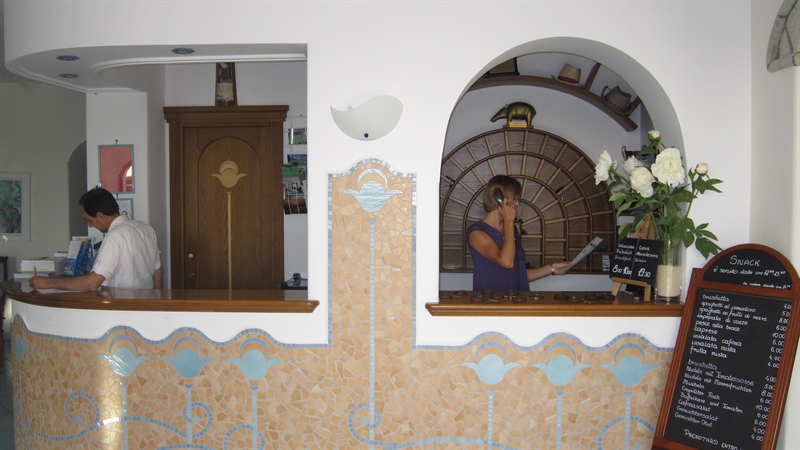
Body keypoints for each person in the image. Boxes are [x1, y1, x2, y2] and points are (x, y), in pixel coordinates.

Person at [29, 188, 163, 291]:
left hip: (121, 307)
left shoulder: (115, 236)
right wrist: (156, 302)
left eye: (89, 220)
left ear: (100, 216)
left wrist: (48, 283)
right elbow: (158, 272)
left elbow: (92, 283)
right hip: (144, 305)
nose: (90, 225)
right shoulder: (146, 229)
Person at [467, 175, 571, 291]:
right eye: (514, 198)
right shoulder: (476, 232)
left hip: (518, 299)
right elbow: (507, 262)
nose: (517, 203)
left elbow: (517, 274)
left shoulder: (511, 230)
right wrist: (508, 222)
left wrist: (552, 269)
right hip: (492, 300)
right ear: (499, 198)